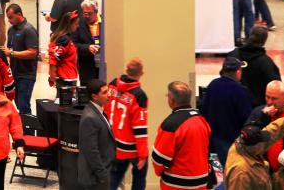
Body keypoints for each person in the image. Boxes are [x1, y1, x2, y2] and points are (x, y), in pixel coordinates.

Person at [223, 106, 284, 190]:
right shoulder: (241, 173)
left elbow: (274, 129)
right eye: (261, 142)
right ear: (254, 146)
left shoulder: (245, 145)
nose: (265, 143)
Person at [151, 82, 211, 190]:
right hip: (201, 181)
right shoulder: (202, 120)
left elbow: (159, 158)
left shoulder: (170, 124)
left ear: (171, 99)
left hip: (177, 184)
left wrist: (159, 172)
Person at [198, 57, 252, 167]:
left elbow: (204, 110)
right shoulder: (240, 91)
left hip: (214, 138)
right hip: (232, 141)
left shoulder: (213, 85)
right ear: (237, 72)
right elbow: (246, 118)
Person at [105, 58, 149, 190]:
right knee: (139, 177)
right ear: (142, 73)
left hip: (115, 143)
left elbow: (105, 109)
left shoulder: (112, 84)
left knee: (114, 177)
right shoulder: (139, 95)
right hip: (132, 147)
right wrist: (143, 154)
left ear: (126, 70)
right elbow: (140, 128)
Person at [77, 79, 116, 190]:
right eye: (104, 92)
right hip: (95, 178)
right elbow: (91, 151)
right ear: (94, 96)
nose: (109, 95)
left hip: (103, 172)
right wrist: (103, 175)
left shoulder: (99, 111)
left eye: (108, 91)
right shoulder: (90, 117)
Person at [231, 25, 280, 107]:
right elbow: (276, 87)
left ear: (249, 35)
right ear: (264, 41)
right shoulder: (266, 63)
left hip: (233, 106)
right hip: (257, 110)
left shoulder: (233, 55)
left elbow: (223, 76)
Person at [3, 4, 39, 114]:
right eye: (8, 17)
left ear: (19, 14)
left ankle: (28, 130)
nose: (9, 20)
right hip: (15, 73)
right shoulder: (11, 30)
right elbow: (10, 49)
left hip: (26, 75)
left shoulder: (29, 30)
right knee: (18, 103)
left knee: (23, 105)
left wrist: (12, 53)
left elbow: (33, 53)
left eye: (11, 17)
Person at [47, 12, 79, 91]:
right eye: (76, 24)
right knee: (65, 102)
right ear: (69, 24)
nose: (78, 26)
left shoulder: (66, 38)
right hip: (65, 78)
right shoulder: (64, 39)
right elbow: (54, 57)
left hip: (69, 75)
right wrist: (52, 75)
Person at [73, 0, 104, 83]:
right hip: (86, 65)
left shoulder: (105, 21)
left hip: (103, 65)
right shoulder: (79, 23)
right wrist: (87, 47)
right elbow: (73, 44)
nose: (86, 16)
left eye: (89, 13)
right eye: (84, 13)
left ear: (96, 11)